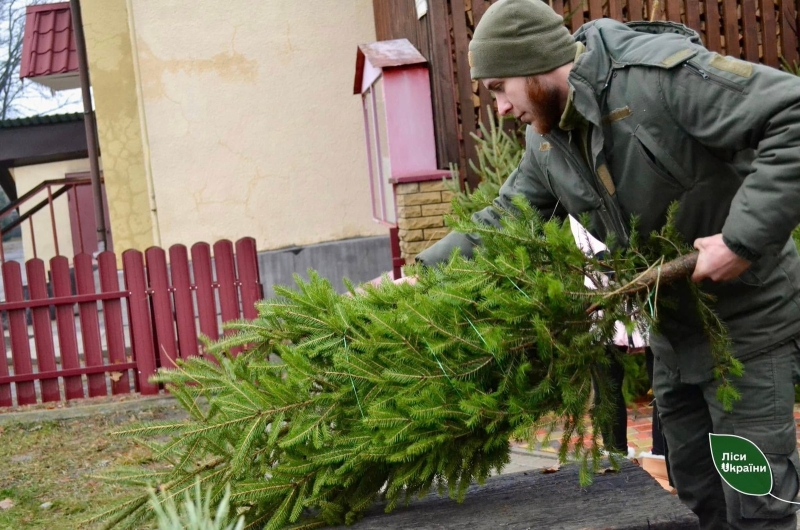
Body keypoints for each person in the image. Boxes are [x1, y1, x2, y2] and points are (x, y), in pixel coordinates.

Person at [413, 0, 800, 528]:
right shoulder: (546, 140)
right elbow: (508, 215)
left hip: (748, 325)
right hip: (674, 335)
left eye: (500, 88)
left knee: (757, 500)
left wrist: (742, 240)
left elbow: (791, 114)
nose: (499, 107)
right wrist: (421, 274)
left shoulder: (658, 79)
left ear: (534, 66)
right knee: (694, 490)